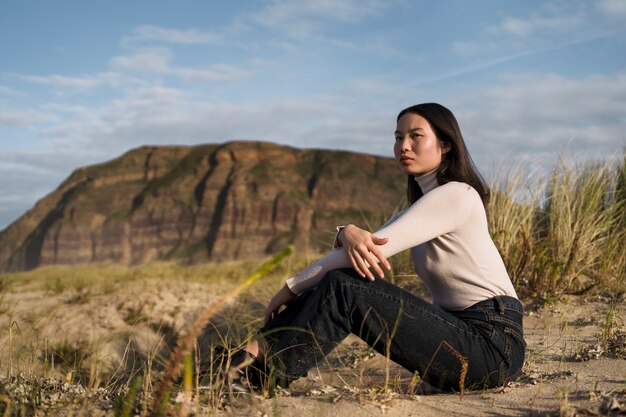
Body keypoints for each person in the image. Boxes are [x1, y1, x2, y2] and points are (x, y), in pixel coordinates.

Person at [222, 102, 525, 394]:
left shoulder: (458, 195)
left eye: (415, 136)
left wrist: (290, 289)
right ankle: (249, 362)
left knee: (344, 286)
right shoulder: (421, 208)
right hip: (461, 338)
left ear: (445, 145)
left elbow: (364, 253)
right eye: (398, 137)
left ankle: (253, 372)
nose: (403, 146)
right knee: (339, 281)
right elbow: (358, 250)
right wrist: (346, 233)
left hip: (493, 345)